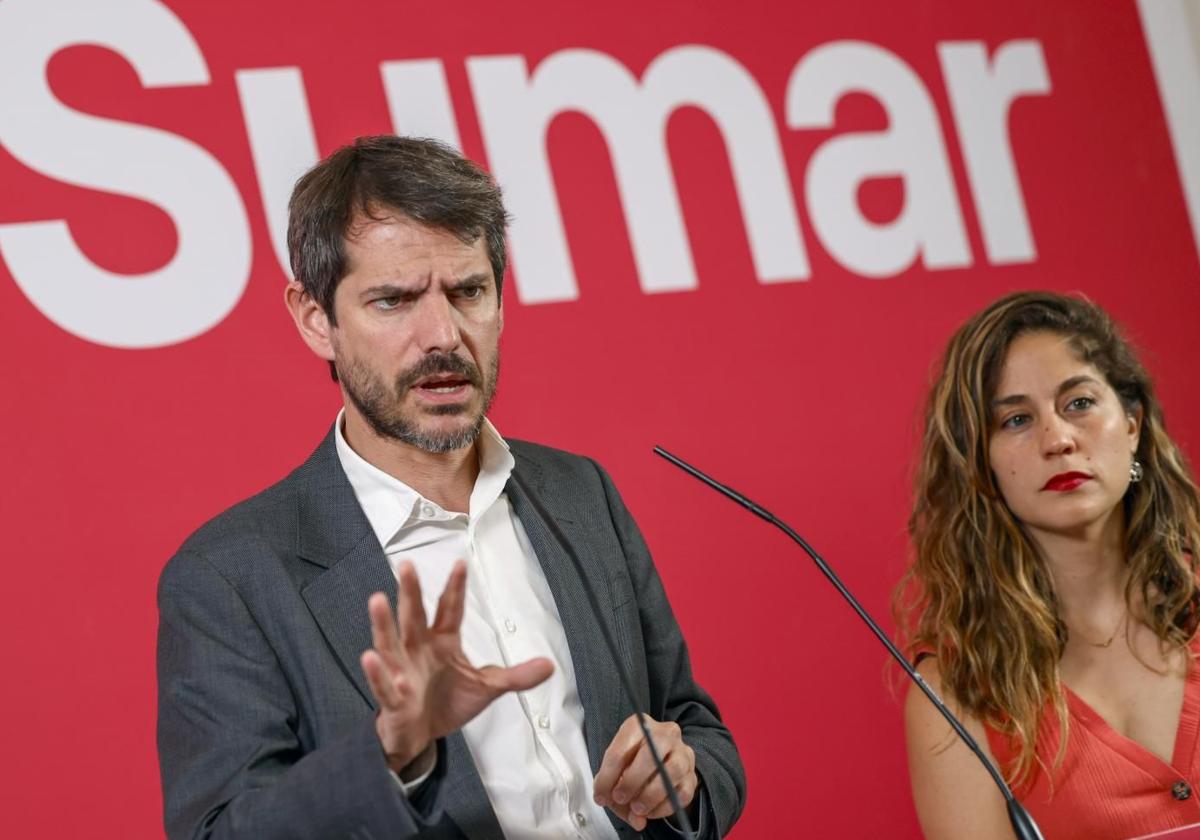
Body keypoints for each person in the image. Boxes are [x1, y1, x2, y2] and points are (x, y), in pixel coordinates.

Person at [156, 135, 745, 840]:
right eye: (394, 300)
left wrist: (681, 773)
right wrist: (390, 752)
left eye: (468, 291)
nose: (443, 335)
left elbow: (695, 729)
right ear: (317, 319)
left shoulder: (578, 494)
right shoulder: (232, 577)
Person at [897, 290, 1200, 839]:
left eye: (1079, 403)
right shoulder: (958, 695)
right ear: (981, 465)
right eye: (1015, 420)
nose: (1058, 439)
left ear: (1132, 423)